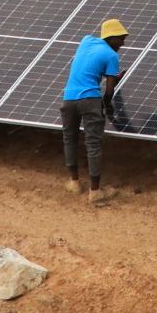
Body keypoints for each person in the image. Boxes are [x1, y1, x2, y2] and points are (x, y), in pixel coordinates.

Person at [61, 18, 127, 205]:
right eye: (121, 38)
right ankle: (95, 192)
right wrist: (106, 104)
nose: (123, 43)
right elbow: (109, 89)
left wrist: (109, 75)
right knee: (93, 144)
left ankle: (74, 182)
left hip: (69, 98)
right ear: (111, 37)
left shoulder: (86, 41)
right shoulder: (112, 56)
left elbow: (88, 68)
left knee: (69, 138)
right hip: (89, 101)